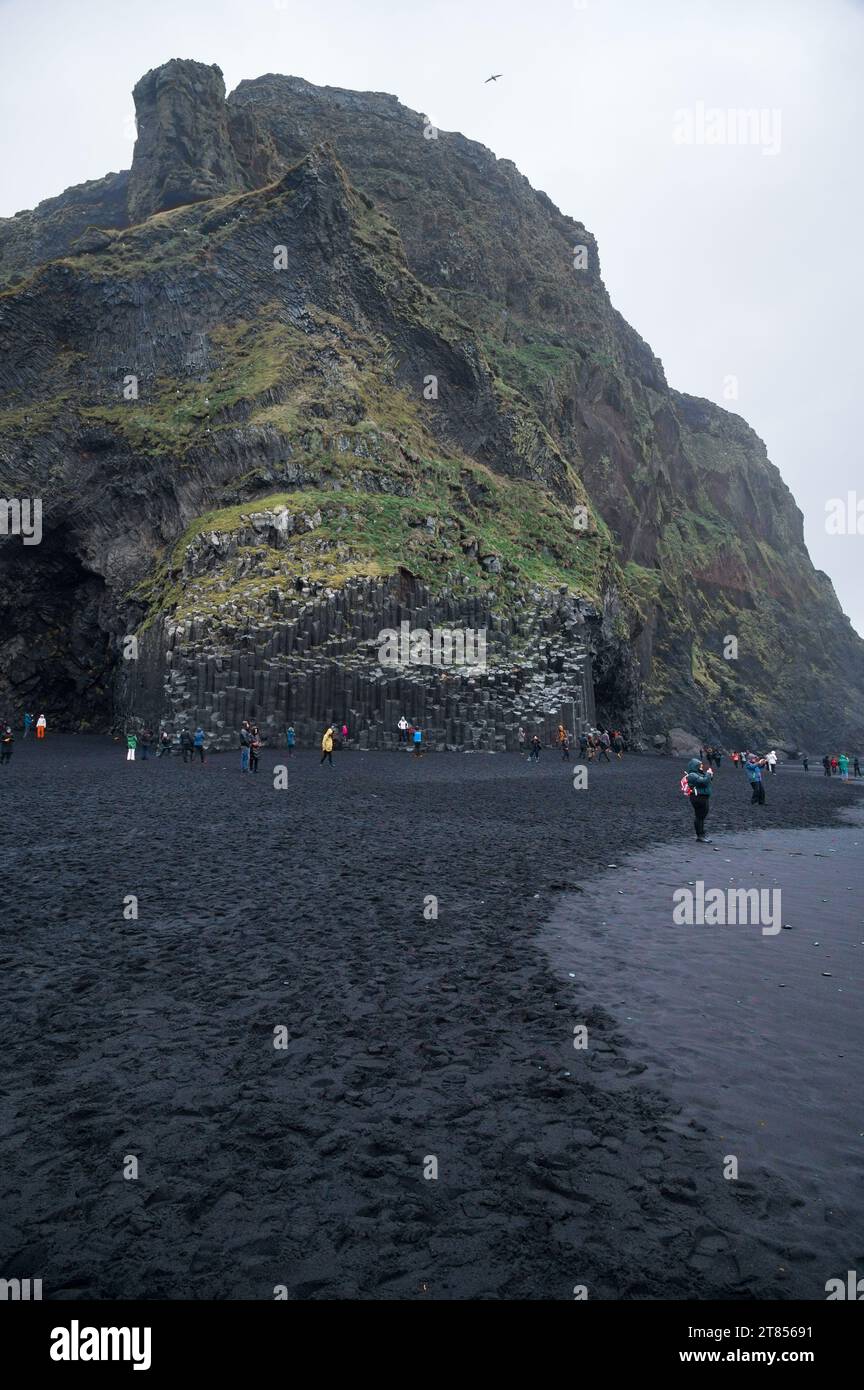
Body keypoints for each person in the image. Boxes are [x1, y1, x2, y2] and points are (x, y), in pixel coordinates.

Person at [685, 757, 713, 842]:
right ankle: (700, 835)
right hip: (698, 797)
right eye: (699, 765)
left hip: (703, 797)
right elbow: (703, 782)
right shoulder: (692, 775)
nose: (701, 767)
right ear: (695, 766)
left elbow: (707, 781)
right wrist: (708, 774)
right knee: (699, 816)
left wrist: (710, 775)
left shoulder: (699, 773)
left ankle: (701, 834)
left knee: (701, 816)